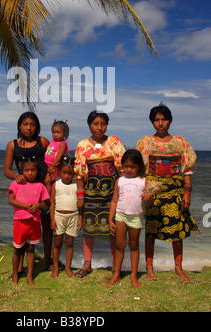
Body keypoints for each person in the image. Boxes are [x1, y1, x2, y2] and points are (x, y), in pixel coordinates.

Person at [136, 103, 199, 283]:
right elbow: (141, 170)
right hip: (153, 190)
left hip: (175, 189)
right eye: (157, 120)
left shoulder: (180, 142)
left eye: (163, 119)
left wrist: (187, 193)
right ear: (152, 122)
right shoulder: (145, 142)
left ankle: (178, 268)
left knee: (177, 228)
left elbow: (187, 170)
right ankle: (149, 269)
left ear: (170, 120)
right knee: (151, 229)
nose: (160, 123)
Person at [74, 111, 126, 277]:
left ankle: (114, 264)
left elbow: (122, 169)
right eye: (95, 124)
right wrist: (80, 197)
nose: (99, 127)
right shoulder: (82, 145)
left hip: (112, 192)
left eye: (103, 124)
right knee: (89, 228)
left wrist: (123, 192)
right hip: (91, 192)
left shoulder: (114, 142)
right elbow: (80, 174)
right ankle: (87, 264)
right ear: (89, 125)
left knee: (113, 228)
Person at [4, 112, 52, 271]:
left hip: (42, 189)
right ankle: (20, 266)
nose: (29, 127)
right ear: (19, 125)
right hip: (24, 192)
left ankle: (47, 260)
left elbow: (53, 161)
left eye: (32, 124)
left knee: (46, 225)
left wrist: (49, 179)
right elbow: (6, 170)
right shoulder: (13, 145)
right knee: (24, 226)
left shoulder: (43, 142)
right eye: (25, 124)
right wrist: (16, 176)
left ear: (37, 126)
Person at [106, 149, 152, 288]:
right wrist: (110, 219)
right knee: (120, 246)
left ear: (139, 166)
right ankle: (116, 274)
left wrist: (148, 197)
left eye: (132, 167)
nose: (129, 169)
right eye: (126, 166)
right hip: (120, 216)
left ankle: (133, 276)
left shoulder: (143, 182)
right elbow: (114, 200)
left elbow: (148, 202)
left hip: (136, 218)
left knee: (134, 246)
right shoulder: (120, 181)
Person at [8, 155, 50, 286]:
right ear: (21, 171)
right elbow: (11, 200)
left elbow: (46, 204)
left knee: (31, 249)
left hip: (34, 222)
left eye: (33, 170)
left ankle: (30, 276)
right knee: (17, 249)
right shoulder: (16, 184)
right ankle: (15, 274)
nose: (30, 173)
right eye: (27, 170)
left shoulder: (40, 186)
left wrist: (38, 205)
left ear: (37, 170)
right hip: (20, 222)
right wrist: (26, 206)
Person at [49, 156, 83, 278]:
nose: (67, 176)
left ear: (74, 174)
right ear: (60, 171)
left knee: (69, 243)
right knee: (57, 243)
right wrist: (52, 219)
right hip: (59, 216)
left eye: (70, 173)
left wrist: (80, 218)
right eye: (64, 172)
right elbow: (52, 203)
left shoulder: (76, 186)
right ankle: (56, 268)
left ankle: (68, 267)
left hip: (73, 216)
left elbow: (80, 204)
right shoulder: (56, 185)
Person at [44, 120, 70, 194]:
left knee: (47, 181)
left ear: (65, 133)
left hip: (55, 166)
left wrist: (52, 165)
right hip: (50, 165)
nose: (55, 134)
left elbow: (60, 155)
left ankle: (48, 199)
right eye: (53, 132)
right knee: (48, 181)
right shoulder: (53, 141)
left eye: (58, 132)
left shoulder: (62, 143)